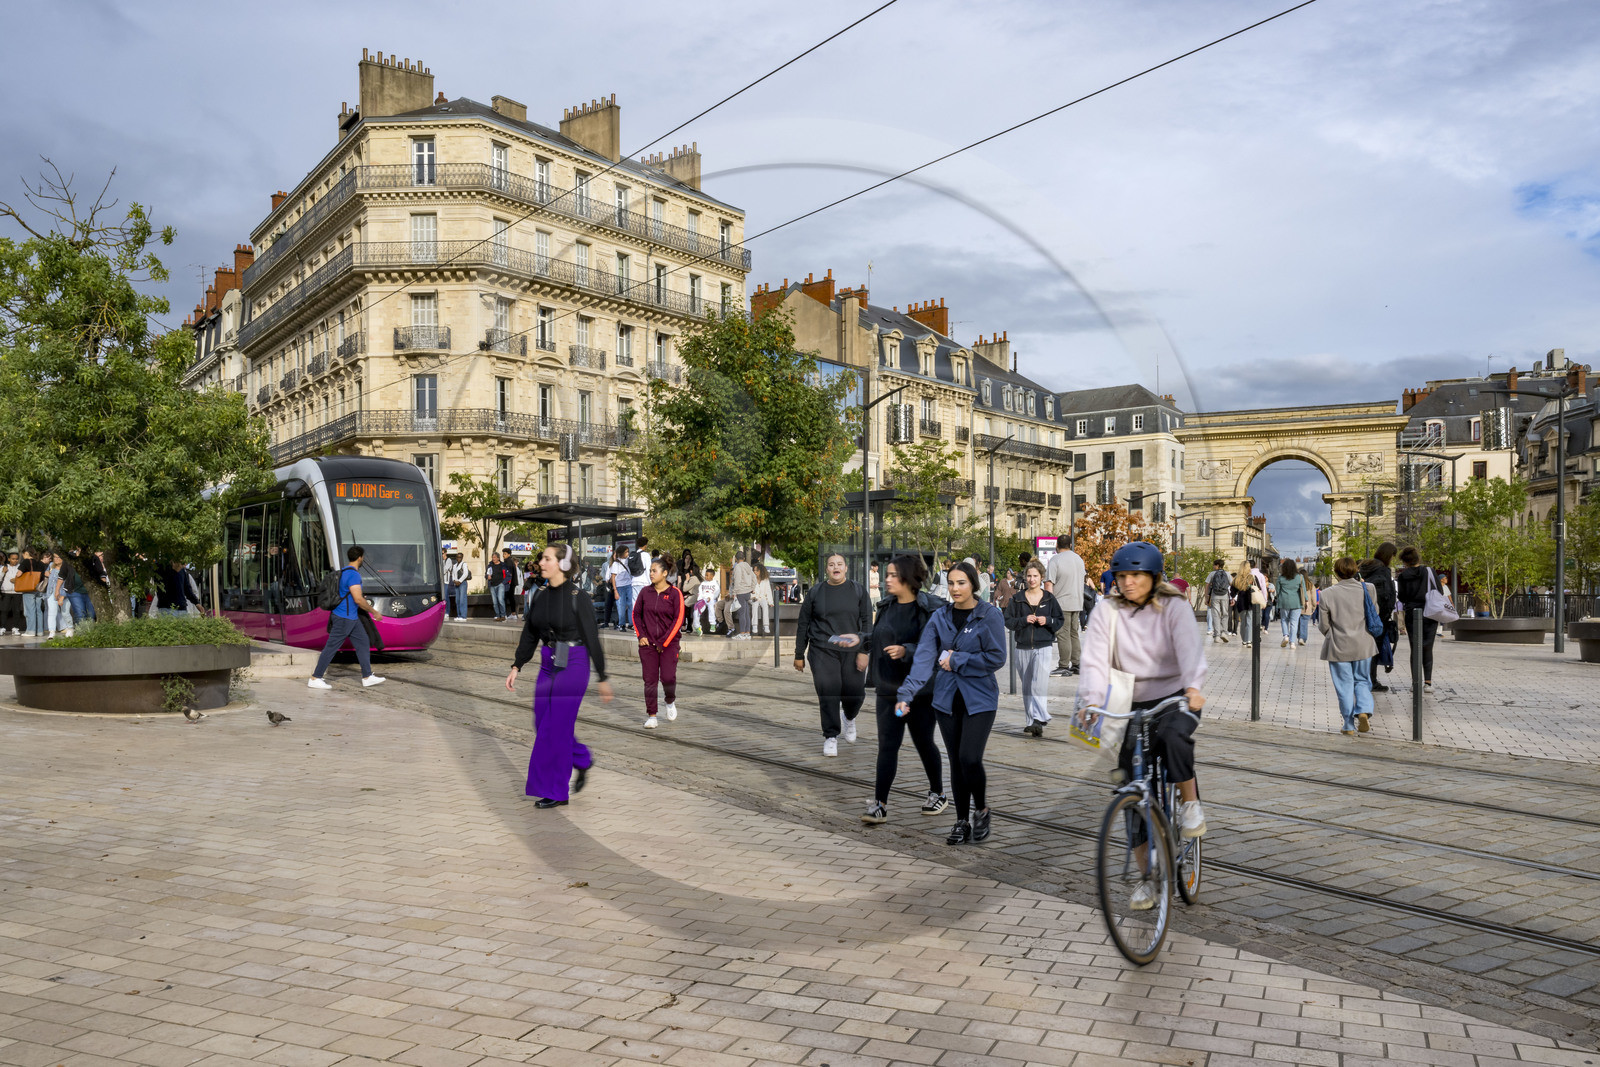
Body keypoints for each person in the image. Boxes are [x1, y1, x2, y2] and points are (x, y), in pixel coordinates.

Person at [1077, 542, 1208, 911]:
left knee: (1173, 736)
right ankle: (1148, 879)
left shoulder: (1174, 607)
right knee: (1129, 787)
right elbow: (1094, 659)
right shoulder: (1107, 610)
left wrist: (1194, 687)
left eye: (1135, 575)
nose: (1128, 582)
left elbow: (1189, 650)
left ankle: (1190, 805)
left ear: (1153, 577)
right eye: (1121, 576)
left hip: (1174, 695)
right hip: (1129, 702)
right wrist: (1090, 698)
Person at [896, 561, 1007, 845]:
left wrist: (957, 659)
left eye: (961, 583)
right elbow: (923, 657)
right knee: (957, 762)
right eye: (952, 583)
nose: (955, 588)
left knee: (970, 757)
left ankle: (981, 809)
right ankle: (961, 821)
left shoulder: (989, 615)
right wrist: (907, 693)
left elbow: (996, 658)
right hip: (946, 700)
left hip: (979, 699)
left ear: (973, 585)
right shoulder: (940, 617)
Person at [505, 543, 613, 807]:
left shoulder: (579, 596)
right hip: (547, 661)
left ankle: (555, 791)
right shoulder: (539, 594)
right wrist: (517, 665)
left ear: (563, 564)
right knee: (542, 722)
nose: (540, 563)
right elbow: (530, 632)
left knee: (556, 727)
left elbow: (592, 638)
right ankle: (583, 758)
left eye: (546, 558)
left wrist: (602, 677)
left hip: (574, 663)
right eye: (541, 558)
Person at [857, 554, 946, 823]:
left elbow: (935, 648)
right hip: (888, 689)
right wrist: (860, 641)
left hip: (919, 692)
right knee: (888, 745)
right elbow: (879, 637)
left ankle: (938, 793)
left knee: (923, 742)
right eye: (887, 574)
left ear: (907, 578)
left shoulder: (929, 609)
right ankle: (879, 804)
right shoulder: (886, 606)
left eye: (893, 575)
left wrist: (906, 650)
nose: (887, 579)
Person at [794, 552, 873, 757]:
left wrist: (865, 651)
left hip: (852, 649)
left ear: (846, 568)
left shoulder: (858, 591)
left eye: (840, 564)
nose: (835, 567)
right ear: (826, 569)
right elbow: (803, 623)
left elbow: (867, 622)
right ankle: (830, 736)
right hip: (822, 648)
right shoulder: (815, 592)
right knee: (828, 691)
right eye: (831, 564)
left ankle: (849, 716)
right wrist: (799, 653)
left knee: (854, 692)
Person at [308, 546, 386, 690]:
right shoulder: (354, 575)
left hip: (349, 617)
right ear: (360, 558)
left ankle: (367, 676)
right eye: (363, 557)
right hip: (344, 617)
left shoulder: (343, 572)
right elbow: (358, 599)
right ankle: (315, 677)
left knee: (363, 642)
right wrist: (373, 611)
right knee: (331, 647)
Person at [1318, 556, 1377, 735]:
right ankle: (1364, 710)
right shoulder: (1369, 588)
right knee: (1362, 680)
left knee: (1344, 685)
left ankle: (1348, 724)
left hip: (1338, 645)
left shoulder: (1327, 593)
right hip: (1363, 643)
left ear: (1336, 573)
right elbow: (1375, 612)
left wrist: (1330, 634)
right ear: (1356, 570)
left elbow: (1323, 624)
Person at [1006, 559, 1065, 736]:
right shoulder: (1017, 599)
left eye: (1035, 576)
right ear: (1025, 577)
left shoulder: (1049, 598)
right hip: (1022, 647)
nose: (1032, 579)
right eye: (1029, 576)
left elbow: (1059, 620)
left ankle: (1040, 717)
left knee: (1038, 684)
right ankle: (1032, 721)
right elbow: (1008, 621)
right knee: (1026, 687)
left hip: (1043, 646)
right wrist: (1024, 620)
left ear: (1041, 577)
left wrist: (1048, 621)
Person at [634, 556, 684, 729]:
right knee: (650, 680)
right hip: (647, 645)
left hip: (668, 644)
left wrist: (664, 642)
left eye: (654, 571)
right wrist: (641, 636)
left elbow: (678, 620)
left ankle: (669, 701)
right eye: (650, 571)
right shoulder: (644, 592)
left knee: (668, 677)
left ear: (664, 573)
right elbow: (636, 615)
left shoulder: (675, 593)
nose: (651, 574)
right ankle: (652, 715)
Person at [1396, 546, 1441, 693]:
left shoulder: (1402, 576)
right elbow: (1439, 591)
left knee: (1415, 647)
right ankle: (1428, 683)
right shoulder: (1429, 571)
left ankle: (1415, 682)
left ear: (1405, 561)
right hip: (1430, 612)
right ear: (1418, 558)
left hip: (1412, 613)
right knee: (1428, 646)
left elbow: (1401, 597)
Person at [1360, 543, 1399, 693]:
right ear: (1388, 556)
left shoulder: (1366, 568)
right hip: (1378, 616)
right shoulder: (1382, 570)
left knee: (1366, 648)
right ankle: (1372, 680)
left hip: (1363, 613)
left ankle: (1365, 678)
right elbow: (1384, 595)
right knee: (1374, 648)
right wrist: (1386, 612)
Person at [1044, 538, 1085, 676]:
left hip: (1062, 603)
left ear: (1057, 545)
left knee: (1062, 634)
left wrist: (1048, 604)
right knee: (1074, 633)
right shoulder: (1079, 559)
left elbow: (1049, 584)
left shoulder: (1056, 560)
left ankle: (1063, 665)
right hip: (1078, 602)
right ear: (1071, 545)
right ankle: (1077, 664)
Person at [1272, 559, 1308, 649]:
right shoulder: (1300, 577)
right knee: (1294, 622)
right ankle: (1292, 643)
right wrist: (1306, 600)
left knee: (1284, 620)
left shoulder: (1280, 578)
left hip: (1284, 601)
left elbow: (1278, 591)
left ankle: (1286, 636)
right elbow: (1303, 589)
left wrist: (1278, 598)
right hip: (1296, 602)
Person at [17, 548, 45, 638]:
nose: (22, 556)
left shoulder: (26, 562)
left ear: (26, 553)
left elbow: (19, 574)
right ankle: (39, 631)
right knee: (38, 610)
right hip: (38, 589)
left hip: (28, 589)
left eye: (23, 554)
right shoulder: (40, 563)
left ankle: (31, 631)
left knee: (30, 610)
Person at [1203, 559, 1231, 643]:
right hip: (1225, 596)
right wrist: (1232, 597)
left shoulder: (1212, 574)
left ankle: (1217, 636)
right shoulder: (1227, 574)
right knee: (1225, 614)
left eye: (1214, 565)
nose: (1213, 566)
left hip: (1215, 596)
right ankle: (1224, 633)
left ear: (1217, 565)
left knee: (1216, 615)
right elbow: (1232, 584)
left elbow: (1207, 585)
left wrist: (1206, 596)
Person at [729, 549, 756, 639]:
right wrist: (752, 588)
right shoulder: (749, 567)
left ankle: (742, 633)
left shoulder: (738, 567)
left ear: (736, 559)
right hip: (747, 592)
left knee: (741, 613)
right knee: (746, 613)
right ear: (744, 558)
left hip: (740, 592)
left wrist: (734, 592)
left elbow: (737, 580)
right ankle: (748, 633)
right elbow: (754, 579)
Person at [609, 544, 635, 632]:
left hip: (629, 585)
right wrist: (615, 590)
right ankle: (622, 624)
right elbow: (613, 577)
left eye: (628, 551)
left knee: (631, 604)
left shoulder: (628, 561)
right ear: (621, 553)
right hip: (620, 587)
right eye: (626, 552)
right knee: (621, 606)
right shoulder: (616, 563)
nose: (628, 553)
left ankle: (631, 623)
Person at [1230, 564, 1256, 646]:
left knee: (1243, 621)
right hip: (1250, 601)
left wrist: (1233, 598)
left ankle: (1244, 639)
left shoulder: (1236, 579)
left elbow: (1232, 591)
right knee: (1249, 621)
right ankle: (1249, 640)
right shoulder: (1252, 577)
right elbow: (1258, 588)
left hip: (1241, 601)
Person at [692, 565, 719, 634]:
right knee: (696, 610)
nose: (705, 577)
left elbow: (717, 592)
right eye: (705, 575)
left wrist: (711, 597)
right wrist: (700, 599)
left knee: (711, 607)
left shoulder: (715, 583)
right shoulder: (703, 583)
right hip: (703, 600)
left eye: (707, 575)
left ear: (712, 576)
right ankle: (697, 626)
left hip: (711, 599)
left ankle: (713, 623)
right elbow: (700, 592)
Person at [0, 552, 22, 635]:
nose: (15, 560)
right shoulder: (4, 567)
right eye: (13, 559)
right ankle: (2, 628)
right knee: (4, 610)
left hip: (18, 592)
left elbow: (24, 578)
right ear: (9, 559)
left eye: (16, 559)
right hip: (6, 591)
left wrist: (17, 580)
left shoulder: (21, 567)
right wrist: (3, 572)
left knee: (16, 610)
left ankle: (15, 628)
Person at [445, 552, 470, 620]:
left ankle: (463, 616)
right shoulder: (455, 565)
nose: (458, 558)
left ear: (462, 558)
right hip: (456, 584)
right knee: (457, 600)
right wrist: (454, 580)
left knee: (462, 600)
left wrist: (459, 581)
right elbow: (453, 574)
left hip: (462, 583)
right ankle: (459, 615)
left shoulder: (464, 564)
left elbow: (465, 574)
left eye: (460, 557)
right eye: (457, 557)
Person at [752, 562, 774, 636]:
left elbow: (768, 591)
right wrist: (752, 596)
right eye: (754, 570)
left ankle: (766, 626)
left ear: (760, 571)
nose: (755, 572)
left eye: (756, 570)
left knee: (765, 606)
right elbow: (749, 589)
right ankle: (754, 626)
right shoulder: (752, 579)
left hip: (762, 598)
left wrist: (770, 602)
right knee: (754, 606)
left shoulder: (765, 579)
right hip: (754, 598)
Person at [487, 551, 509, 621]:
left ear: (498, 558)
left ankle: (503, 615)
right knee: (495, 602)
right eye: (492, 557)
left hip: (500, 585)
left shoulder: (503, 565)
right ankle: (498, 615)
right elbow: (486, 574)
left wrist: (503, 583)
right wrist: (487, 576)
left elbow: (508, 575)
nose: (493, 559)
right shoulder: (490, 565)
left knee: (500, 599)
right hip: (492, 585)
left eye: (494, 557)